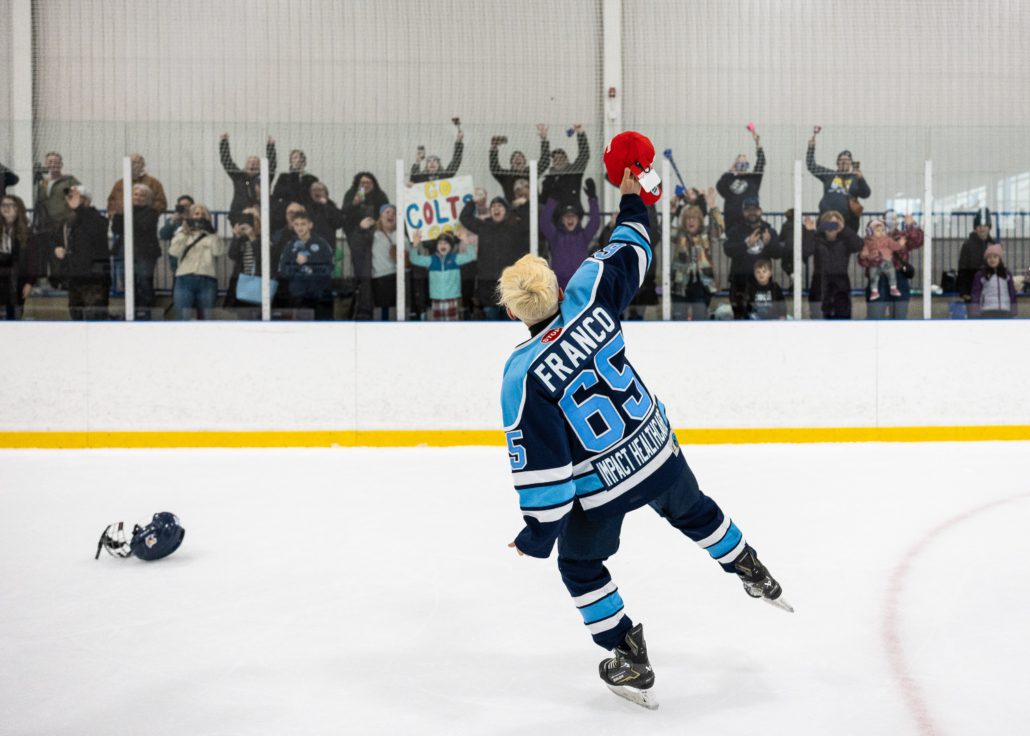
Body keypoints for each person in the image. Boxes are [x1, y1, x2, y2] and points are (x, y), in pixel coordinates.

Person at [498, 168, 791, 710]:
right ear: (557, 286)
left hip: (601, 486)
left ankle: (628, 653)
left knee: (579, 565)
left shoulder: (522, 374)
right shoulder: (586, 294)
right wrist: (632, 190)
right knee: (696, 511)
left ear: (513, 309)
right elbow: (630, 243)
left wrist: (536, 536)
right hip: (655, 451)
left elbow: (549, 476)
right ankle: (748, 564)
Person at [459, 192, 529, 320]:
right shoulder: (484, 226)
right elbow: (464, 218)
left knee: (510, 323)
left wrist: (524, 205)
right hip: (487, 285)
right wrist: (472, 202)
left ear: (506, 211)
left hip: (510, 284)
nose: (496, 208)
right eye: (493, 206)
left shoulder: (515, 227)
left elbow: (531, 222)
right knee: (491, 321)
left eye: (500, 206)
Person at [48, 186, 110, 320]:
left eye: (76, 197)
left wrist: (79, 208)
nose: (71, 201)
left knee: (95, 318)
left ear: (86, 200)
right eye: (69, 197)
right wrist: (56, 248)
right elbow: (54, 239)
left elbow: (96, 229)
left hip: (94, 280)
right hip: (75, 278)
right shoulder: (66, 221)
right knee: (76, 316)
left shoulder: (97, 218)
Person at [723, 197, 783, 319]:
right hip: (739, 284)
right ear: (743, 212)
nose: (752, 212)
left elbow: (778, 254)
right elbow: (727, 250)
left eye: (754, 209)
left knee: (763, 317)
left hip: (762, 285)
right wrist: (746, 244)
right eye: (748, 210)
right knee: (740, 319)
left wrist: (768, 244)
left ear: (760, 211)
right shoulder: (736, 230)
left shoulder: (769, 231)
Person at [342, 172, 390, 320]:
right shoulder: (351, 194)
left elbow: (387, 216)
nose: (366, 185)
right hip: (357, 237)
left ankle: (371, 307)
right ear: (357, 184)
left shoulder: (380, 196)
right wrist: (355, 205)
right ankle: (361, 308)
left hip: (376, 238)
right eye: (362, 182)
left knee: (376, 271)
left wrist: (375, 224)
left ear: (374, 184)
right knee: (362, 272)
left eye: (369, 182)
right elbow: (344, 215)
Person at [860, 211, 924, 320]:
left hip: (899, 278)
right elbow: (862, 260)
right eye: (889, 219)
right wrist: (873, 258)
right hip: (878, 279)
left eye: (895, 219)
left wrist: (912, 225)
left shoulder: (902, 236)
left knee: (899, 316)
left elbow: (918, 241)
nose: (892, 222)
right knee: (875, 316)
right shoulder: (871, 237)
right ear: (882, 220)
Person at [110, 184, 162, 317]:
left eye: (142, 195)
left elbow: (141, 227)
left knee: (144, 282)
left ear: (148, 198)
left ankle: (145, 312)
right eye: (135, 194)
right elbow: (116, 229)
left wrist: (126, 215)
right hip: (124, 251)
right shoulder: (125, 211)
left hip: (144, 253)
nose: (138, 197)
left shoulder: (152, 213)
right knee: (127, 283)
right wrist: (119, 215)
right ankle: (131, 312)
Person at [539, 178, 601, 290]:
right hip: (559, 284)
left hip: (580, 282)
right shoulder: (555, 236)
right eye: (566, 216)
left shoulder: (583, 236)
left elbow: (595, 222)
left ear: (578, 219)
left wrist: (592, 199)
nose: (570, 218)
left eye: (573, 216)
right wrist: (553, 199)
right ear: (562, 219)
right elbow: (544, 222)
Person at [801, 210, 863, 319]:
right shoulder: (817, 239)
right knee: (818, 319)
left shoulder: (846, 239)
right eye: (827, 223)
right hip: (820, 283)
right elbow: (806, 251)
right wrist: (809, 232)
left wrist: (844, 230)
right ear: (823, 225)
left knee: (843, 319)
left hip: (841, 285)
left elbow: (859, 245)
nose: (831, 226)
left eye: (834, 223)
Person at [806, 127, 870, 232]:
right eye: (841, 160)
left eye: (847, 160)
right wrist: (811, 148)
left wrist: (861, 179)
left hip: (847, 223)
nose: (844, 162)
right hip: (827, 220)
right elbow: (811, 166)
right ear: (837, 162)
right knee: (826, 242)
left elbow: (866, 194)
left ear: (851, 163)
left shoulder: (855, 177)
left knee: (845, 247)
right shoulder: (829, 174)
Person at [168, 203, 224, 320]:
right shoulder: (182, 233)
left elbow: (218, 252)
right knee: (183, 317)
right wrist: (184, 233)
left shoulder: (213, 235)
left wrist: (212, 233)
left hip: (207, 279)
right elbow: (174, 252)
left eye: (203, 214)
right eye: (196, 214)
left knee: (206, 317)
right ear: (190, 216)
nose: (200, 217)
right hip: (185, 278)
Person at [406, 230, 476, 321]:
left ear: (451, 246)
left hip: (452, 298)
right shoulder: (431, 260)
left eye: (446, 243)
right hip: (436, 299)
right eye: (440, 243)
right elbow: (414, 259)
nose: (443, 245)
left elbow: (472, 256)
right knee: (438, 327)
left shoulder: (455, 259)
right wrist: (415, 245)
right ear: (436, 246)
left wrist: (466, 241)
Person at [277, 210, 333, 320]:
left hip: (318, 295)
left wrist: (310, 260)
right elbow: (283, 272)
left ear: (310, 225)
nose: (299, 228)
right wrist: (295, 263)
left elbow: (329, 268)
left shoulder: (322, 244)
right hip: (297, 295)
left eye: (303, 224)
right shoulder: (289, 246)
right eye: (296, 224)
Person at [671, 202, 721, 321]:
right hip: (680, 281)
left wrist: (713, 207)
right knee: (679, 318)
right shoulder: (679, 234)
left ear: (699, 220)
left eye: (694, 218)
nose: (690, 221)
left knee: (700, 317)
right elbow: (662, 230)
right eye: (688, 218)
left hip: (702, 282)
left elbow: (720, 229)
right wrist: (672, 212)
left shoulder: (706, 234)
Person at [716, 128, 765, 233]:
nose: (742, 167)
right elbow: (720, 186)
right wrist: (730, 170)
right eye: (740, 164)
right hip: (732, 223)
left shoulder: (753, 178)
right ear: (735, 165)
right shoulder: (730, 179)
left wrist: (758, 144)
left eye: (745, 164)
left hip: (751, 222)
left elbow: (761, 163)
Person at [219, 133, 277, 218]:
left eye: (256, 163)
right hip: (239, 213)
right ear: (245, 165)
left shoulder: (265, 177)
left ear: (261, 166)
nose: (252, 165)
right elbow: (227, 162)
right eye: (249, 162)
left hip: (260, 214)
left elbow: (272, 164)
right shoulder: (238, 176)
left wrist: (270, 146)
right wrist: (224, 143)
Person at [539, 124, 590, 217]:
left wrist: (580, 133)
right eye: (555, 159)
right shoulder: (548, 180)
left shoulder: (574, 173)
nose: (558, 161)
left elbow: (584, 155)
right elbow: (542, 201)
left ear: (567, 160)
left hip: (573, 216)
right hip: (551, 220)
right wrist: (544, 140)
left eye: (561, 158)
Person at [490, 124, 550, 201]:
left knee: (550, 206)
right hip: (514, 210)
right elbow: (494, 168)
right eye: (514, 158)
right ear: (511, 164)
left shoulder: (531, 172)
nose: (517, 158)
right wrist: (494, 147)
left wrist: (544, 139)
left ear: (524, 162)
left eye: (520, 157)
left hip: (534, 209)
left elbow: (545, 162)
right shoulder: (507, 176)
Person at [224, 208, 265, 311]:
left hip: (258, 283)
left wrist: (253, 237)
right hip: (241, 283)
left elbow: (262, 258)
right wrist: (237, 236)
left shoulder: (264, 238)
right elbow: (232, 255)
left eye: (252, 218)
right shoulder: (240, 239)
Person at [106, 153, 168, 217]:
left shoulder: (153, 183)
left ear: (143, 165)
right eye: (131, 163)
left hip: (144, 221)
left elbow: (161, 203)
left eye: (136, 163)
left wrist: (150, 215)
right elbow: (111, 202)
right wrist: (113, 215)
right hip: (122, 220)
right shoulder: (119, 184)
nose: (133, 165)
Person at [270, 149, 318, 231]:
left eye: (300, 157)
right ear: (291, 161)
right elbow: (277, 194)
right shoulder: (284, 177)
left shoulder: (312, 179)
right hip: (287, 209)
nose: (298, 160)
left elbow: (312, 196)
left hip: (305, 209)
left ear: (304, 161)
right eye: (295, 158)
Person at [0, 195, 32, 319]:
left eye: (11, 205)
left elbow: (32, 260)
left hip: (16, 283)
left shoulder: (27, 233)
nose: (6, 208)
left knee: (14, 318)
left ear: (18, 209)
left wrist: (30, 282)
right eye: (3, 205)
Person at [32, 152, 80, 233]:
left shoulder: (69, 181)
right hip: (46, 226)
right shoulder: (44, 183)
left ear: (61, 165)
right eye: (50, 162)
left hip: (65, 225)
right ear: (46, 164)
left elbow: (79, 199)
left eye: (56, 162)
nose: (53, 164)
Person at [956, 207, 995, 303]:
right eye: (979, 226)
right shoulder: (967, 245)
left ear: (989, 227)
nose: (982, 229)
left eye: (985, 225)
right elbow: (962, 269)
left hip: (990, 291)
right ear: (975, 227)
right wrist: (964, 292)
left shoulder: (994, 245)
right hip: (972, 290)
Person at [969, 243, 1017, 319]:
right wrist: (975, 311)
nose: (992, 260)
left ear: (999, 259)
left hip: (1005, 310)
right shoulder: (981, 275)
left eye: (995, 257)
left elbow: (1012, 293)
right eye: (989, 257)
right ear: (986, 260)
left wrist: (1014, 310)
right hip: (987, 311)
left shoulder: (1006, 274)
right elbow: (976, 294)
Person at [859, 219, 903, 301]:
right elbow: (865, 249)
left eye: (882, 230)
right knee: (873, 276)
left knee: (891, 272)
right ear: (871, 232)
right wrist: (864, 255)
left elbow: (894, 246)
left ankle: (893, 287)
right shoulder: (868, 241)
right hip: (874, 263)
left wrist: (899, 244)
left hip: (886, 261)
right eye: (878, 230)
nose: (881, 232)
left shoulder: (887, 239)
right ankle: (874, 291)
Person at [370, 204, 399, 320]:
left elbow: (408, 259)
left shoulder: (400, 236)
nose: (391, 215)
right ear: (380, 217)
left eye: (394, 213)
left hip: (397, 277)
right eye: (387, 212)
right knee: (381, 310)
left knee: (395, 309)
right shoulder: (373, 235)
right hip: (379, 278)